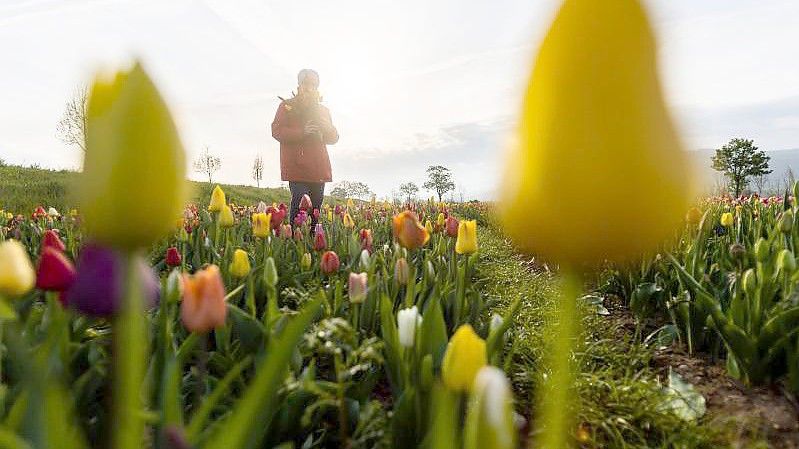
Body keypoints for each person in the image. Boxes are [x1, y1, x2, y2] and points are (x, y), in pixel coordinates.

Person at [271, 69, 338, 226]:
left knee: (316, 208)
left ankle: (314, 242)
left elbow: (334, 138)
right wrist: (302, 132)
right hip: (297, 167)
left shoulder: (323, 110)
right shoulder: (286, 106)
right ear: (299, 85)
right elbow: (277, 131)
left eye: (313, 85)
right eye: (306, 84)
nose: (309, 88)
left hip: (319, 167)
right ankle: (294, 239)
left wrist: (327, 128)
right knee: (300, 205)